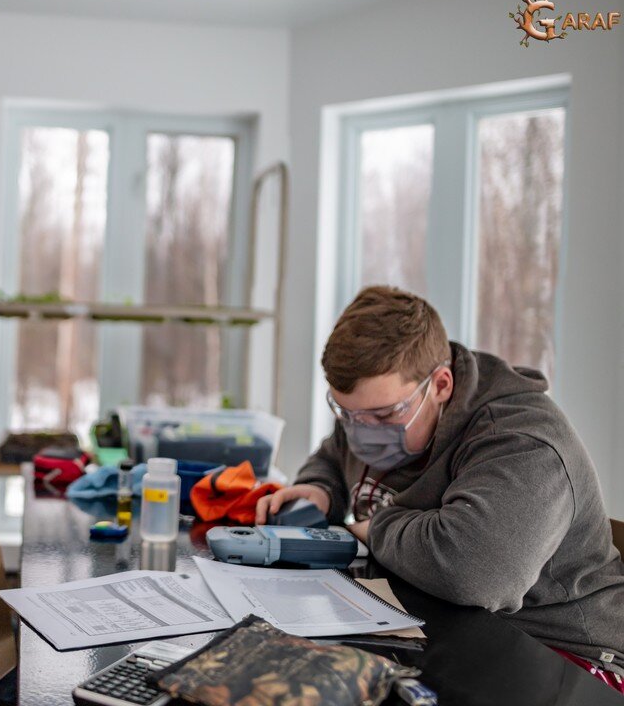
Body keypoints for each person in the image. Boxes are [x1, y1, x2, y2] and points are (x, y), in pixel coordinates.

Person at [256, 285, 624, 692]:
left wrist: (375, 528)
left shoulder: (524, 442)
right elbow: (334, 453)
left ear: (442, 385)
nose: (362, 431)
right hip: (437, 622)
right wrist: (319, 489)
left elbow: (475, 572)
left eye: (382, 415)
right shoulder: (378, 409)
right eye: (346, 413)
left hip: (566, 656)